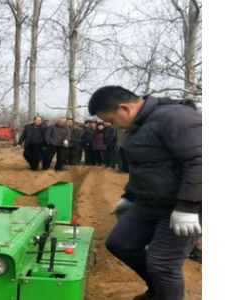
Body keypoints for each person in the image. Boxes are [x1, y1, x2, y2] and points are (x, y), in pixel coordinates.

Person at [88, 86, 201, 300]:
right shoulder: (138, 126)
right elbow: (143, 166)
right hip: (149, 203)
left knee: (163, 264)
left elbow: (200, 161)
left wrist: (188, 205)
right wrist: (129, 195)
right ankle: (158, 292)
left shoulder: (176, 118)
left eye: (111, 120)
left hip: (181, 205)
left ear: (124, 108)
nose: (113, 126)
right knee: (120, 243)